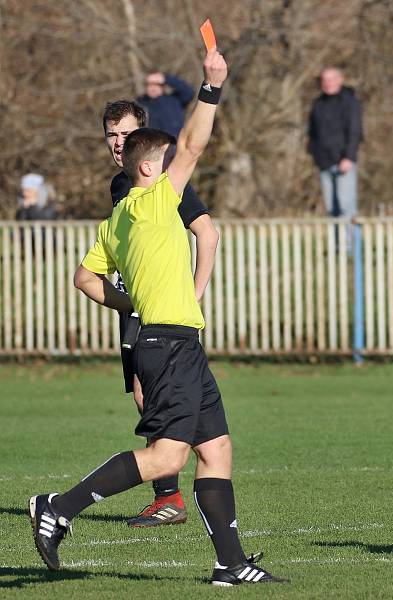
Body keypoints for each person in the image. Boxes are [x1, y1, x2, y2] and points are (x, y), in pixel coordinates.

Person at [30, 48, 284, 586]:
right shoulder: (154, 199)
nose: (176, 163)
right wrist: (211, 85)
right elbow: (195, 140)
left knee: (216, 450)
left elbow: (84, 279)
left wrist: (133, 305)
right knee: (168, 457)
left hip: (171, 339)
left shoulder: (117, 218)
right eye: (166, 160)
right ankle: (59, 506)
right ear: (150, 167)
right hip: (169, 344)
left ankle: (230, 564)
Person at [102, 99, 220, 528]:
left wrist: (195, 292)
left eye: (127, 135)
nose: (119, 143)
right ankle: (168, 494)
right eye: (112, 135)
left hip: (159, 313)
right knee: (142, 395)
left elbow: (207, 233)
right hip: (136, 303)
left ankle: (168, 496)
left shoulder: (164, 183)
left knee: (147, 394)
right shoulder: (122, 184)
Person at [307, 67, 363, 219]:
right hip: (324, 162)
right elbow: (312, 132)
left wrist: (349, 157)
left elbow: (355, 132)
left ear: (340, 80)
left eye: (331, 79)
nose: (327, 83)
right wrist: (314, 154)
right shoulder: (318, 104)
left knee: (347, 207)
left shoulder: (350, 102)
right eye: (324, 80)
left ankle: (351, 243)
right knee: (332, 209)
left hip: (343, 161)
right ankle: (337, 243)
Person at [137, 71, 195, 137]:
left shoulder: (174, 100)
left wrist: (166, 79)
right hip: (150, 144)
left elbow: (189, 91)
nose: (153, 87)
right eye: (150, 84)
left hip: (174, 143)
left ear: (163, 86)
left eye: (156, 84)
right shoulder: (140, 103)